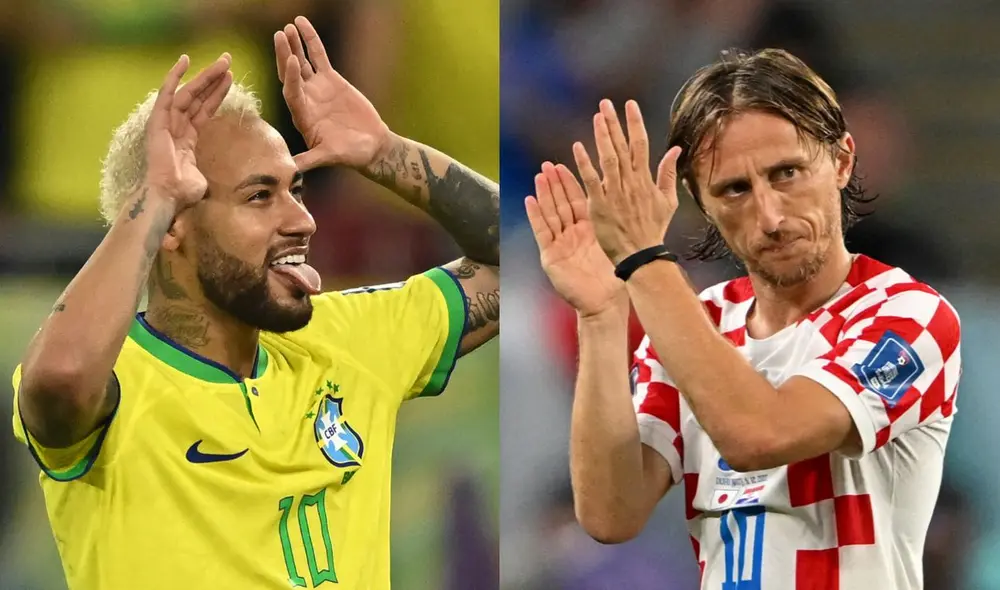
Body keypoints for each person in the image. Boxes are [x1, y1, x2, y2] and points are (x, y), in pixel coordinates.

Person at [11, 16, 498, 590]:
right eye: (260, 196)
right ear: (172, 226)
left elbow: (513, 256)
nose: (302, 221)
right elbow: (60, 378)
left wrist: (385, 153)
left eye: (296, 190)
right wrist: (155, 195)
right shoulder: (114, 387)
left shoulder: (348, 338)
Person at [526, 48, 960, 589]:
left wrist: (642, 257)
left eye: (788, 173)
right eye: (735, 189)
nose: (771, 216)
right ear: (699, 202)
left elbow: (760, 434)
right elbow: (611, 513)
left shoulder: (907, 314)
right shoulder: (698, 322)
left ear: (843, 161)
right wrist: (601, 313)